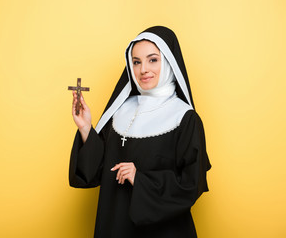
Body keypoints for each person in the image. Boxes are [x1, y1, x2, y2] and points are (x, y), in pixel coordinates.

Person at [69, 26, 211, 238]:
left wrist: (141, 179)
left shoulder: (184, 117)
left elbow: (191, 184)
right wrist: (86, 129)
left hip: (164, 232)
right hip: (116, 225)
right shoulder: (120, 110)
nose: (143, 69)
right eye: (136, 62)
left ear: (169, 62)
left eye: (153, 60)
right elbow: (95, 172)